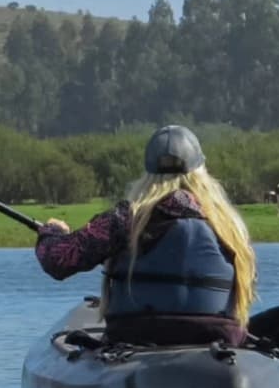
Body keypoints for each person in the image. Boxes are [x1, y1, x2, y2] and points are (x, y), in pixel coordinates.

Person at [35, 124, 257, 346]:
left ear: (148, 174)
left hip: (137, 334)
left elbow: (58, 259)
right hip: (218, 336)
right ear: (201, 169)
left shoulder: (126, 219)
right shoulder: (230, 225)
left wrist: (52, 232)